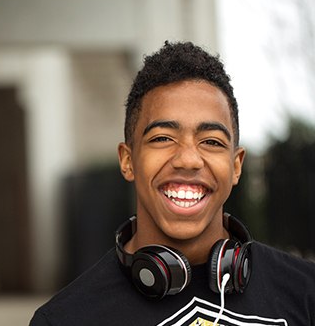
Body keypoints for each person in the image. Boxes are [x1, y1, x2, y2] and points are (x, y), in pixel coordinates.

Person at [30, 41, 315, 326]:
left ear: (236, 165)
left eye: (211, 142)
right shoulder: (64, 319)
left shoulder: (305, 292)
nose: (188, 160)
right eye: (162, 138)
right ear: (128, 160)